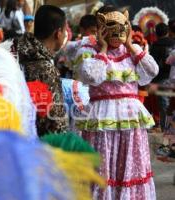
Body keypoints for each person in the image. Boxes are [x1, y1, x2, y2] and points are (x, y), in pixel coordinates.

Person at [75, 5, 158, 199]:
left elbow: (152, 71)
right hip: (102, 117)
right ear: (100, 26)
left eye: (120, 25)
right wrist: (103, 49)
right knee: (104, 167)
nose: (116, 31)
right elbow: (90, 76)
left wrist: (130, 45)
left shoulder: (131, 48)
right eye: (109, 25)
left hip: (130, 117)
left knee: (130, 164)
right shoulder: (89, 47)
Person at [12, 5, 69, 136]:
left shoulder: (17, 51)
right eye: (65, 31)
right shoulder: (46, 68)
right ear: (58, 33)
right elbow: (55, 122)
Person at [150, 22, 175, 131]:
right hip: (172, 76)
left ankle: (166, 128)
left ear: (156, 33)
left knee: (164, 105)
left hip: (160, 78)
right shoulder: (173, 43)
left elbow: (152, 63)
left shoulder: (155, 45)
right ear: (167, 31)